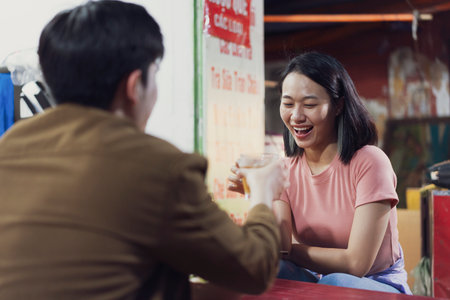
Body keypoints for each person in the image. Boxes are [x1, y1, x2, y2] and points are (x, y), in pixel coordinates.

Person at [0, 1, 289, 299]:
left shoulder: (9, 147)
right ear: (134, 85)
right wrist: (262, 191)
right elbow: (253, 270)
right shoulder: (160, 166)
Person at [228, 52, 412, 294]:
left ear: (338, 105)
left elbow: (356, 264)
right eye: (288, 103)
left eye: (310, 104)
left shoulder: (370, 162)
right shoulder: (285, 169)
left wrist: (292, 251)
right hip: (323, 284)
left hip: (378, 285)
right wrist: (259, 190)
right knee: (271, 269)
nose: (296, 116)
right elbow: (279, 248)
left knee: (335, 284)